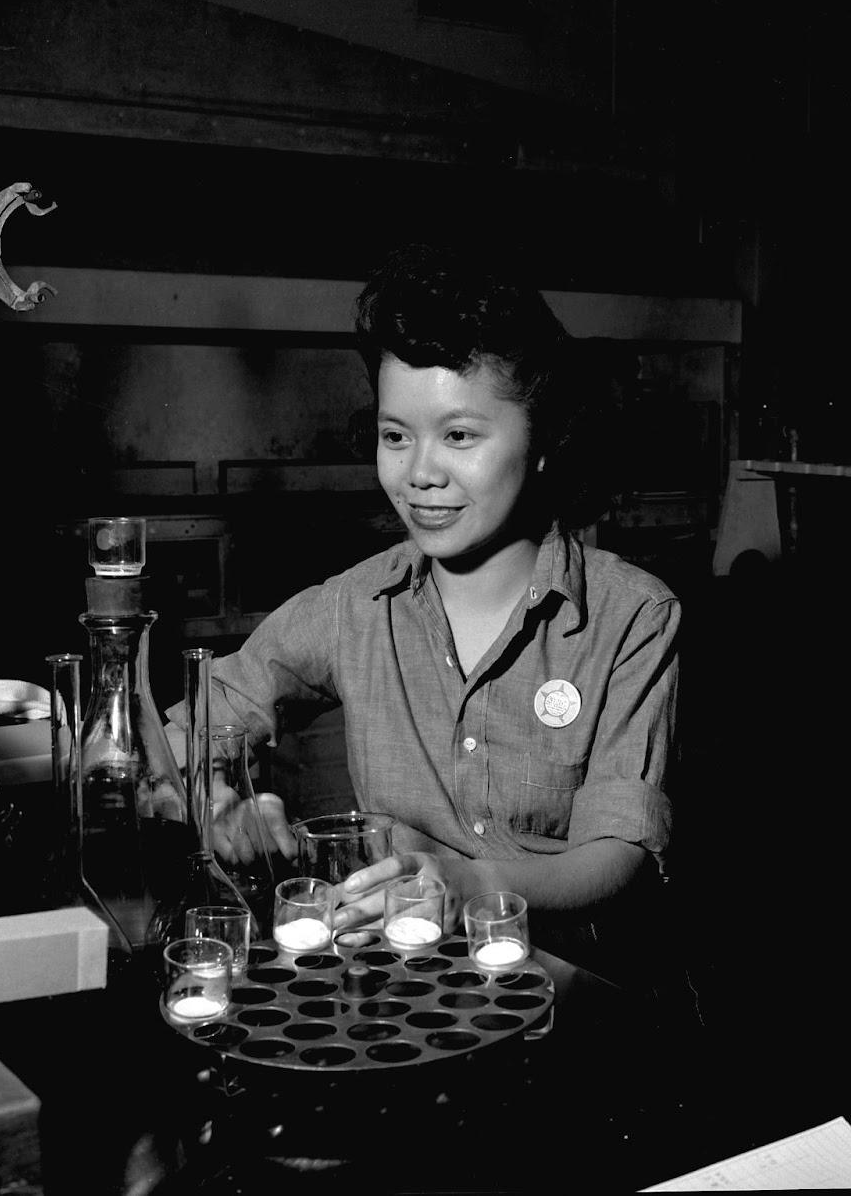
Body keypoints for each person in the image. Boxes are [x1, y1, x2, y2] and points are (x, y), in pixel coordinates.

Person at [165, 243, 681, 966]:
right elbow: (178, 735)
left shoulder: (632, 616)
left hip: (580, 990)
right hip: (413, 989)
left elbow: (617, 855)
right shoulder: (353, 607)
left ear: (540, 442)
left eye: (460, 436)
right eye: (395, 437)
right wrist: (224, 798)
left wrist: (470, 883)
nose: (419, 475)